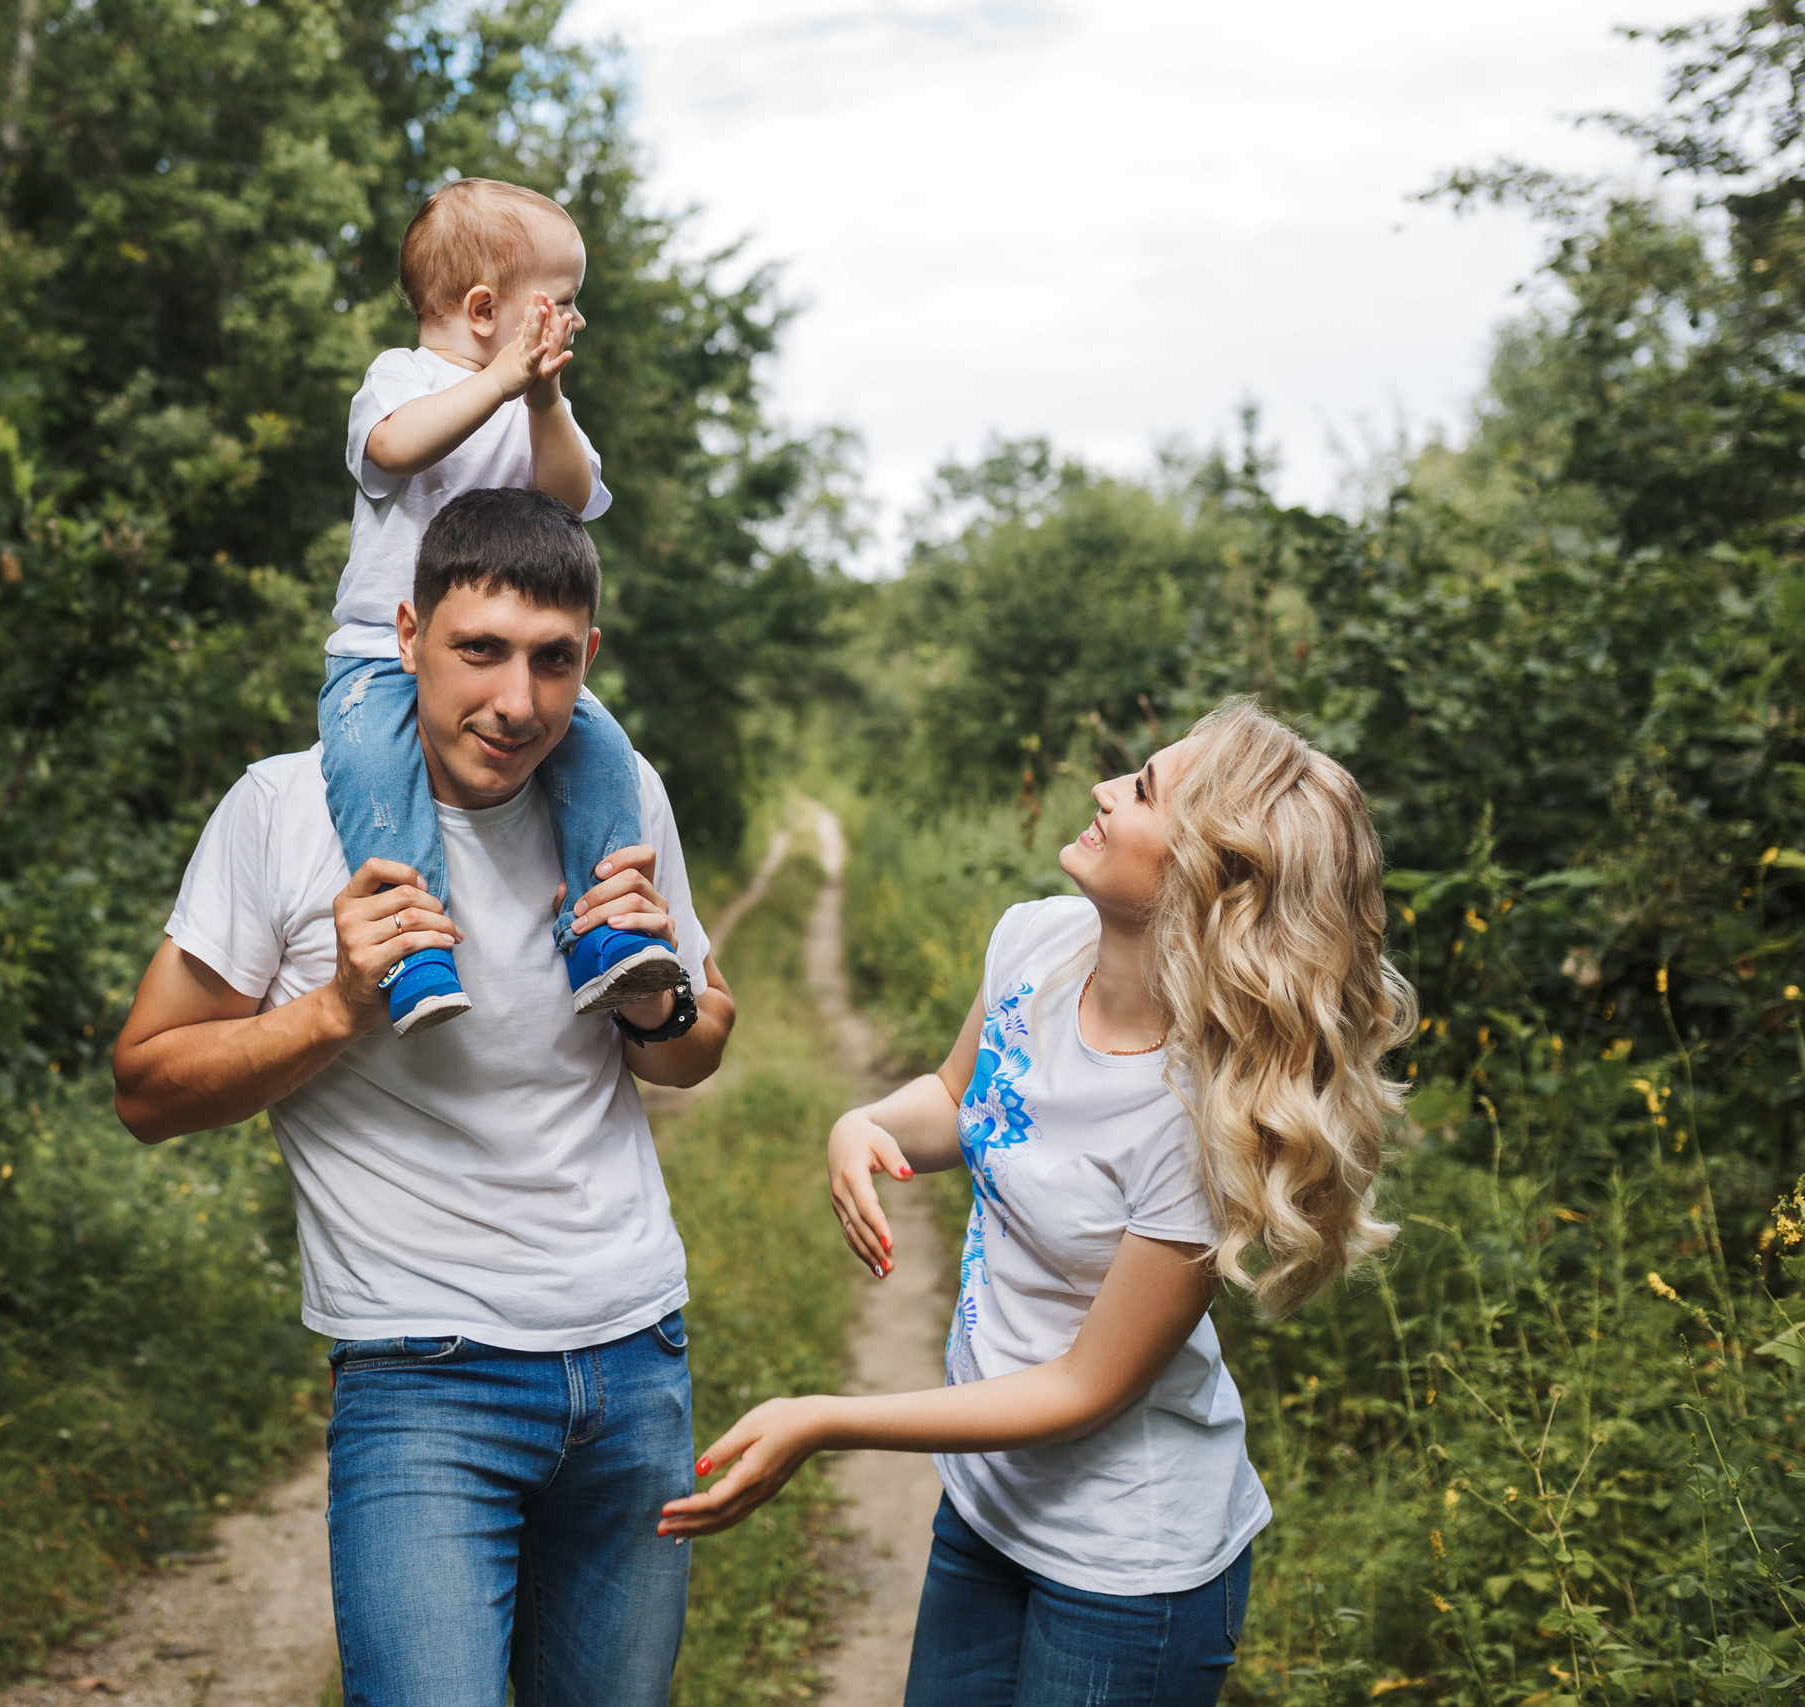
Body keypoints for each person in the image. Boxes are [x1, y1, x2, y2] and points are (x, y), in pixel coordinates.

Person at [657, 700, 1416, 1707]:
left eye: (1142, 792)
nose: (1103, 789)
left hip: (1126, 1568)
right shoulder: (1038, 945)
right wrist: (863, 1126)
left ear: (1212, 879)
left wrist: (823, 1419)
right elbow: (958, 1100)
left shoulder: (1194, 1120)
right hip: (983, 1507)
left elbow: (1081, 1390)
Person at [113, 486, 737, 1707]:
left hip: (634, 1363)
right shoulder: (285, 811)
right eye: (480, 651)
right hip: (421, 1376)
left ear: (589, 661)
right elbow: (146, 1086)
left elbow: (694, 1043)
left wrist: (658, 1004)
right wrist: (338, 1007)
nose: (516, 703)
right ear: (405, 636)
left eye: (553, 663)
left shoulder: (618, 793)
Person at [322, 176, 679, 1037]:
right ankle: (414, 949)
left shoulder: (534, 403)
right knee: (374, 774)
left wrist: (543, 396)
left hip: (507, 661)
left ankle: (605, 935)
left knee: (603, 753)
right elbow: (395, 447)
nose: (574, 322)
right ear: (486, 309)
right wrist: (503, 381)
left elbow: (572, 494)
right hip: (379, 656)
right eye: (561, 304)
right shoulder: (401, 379)